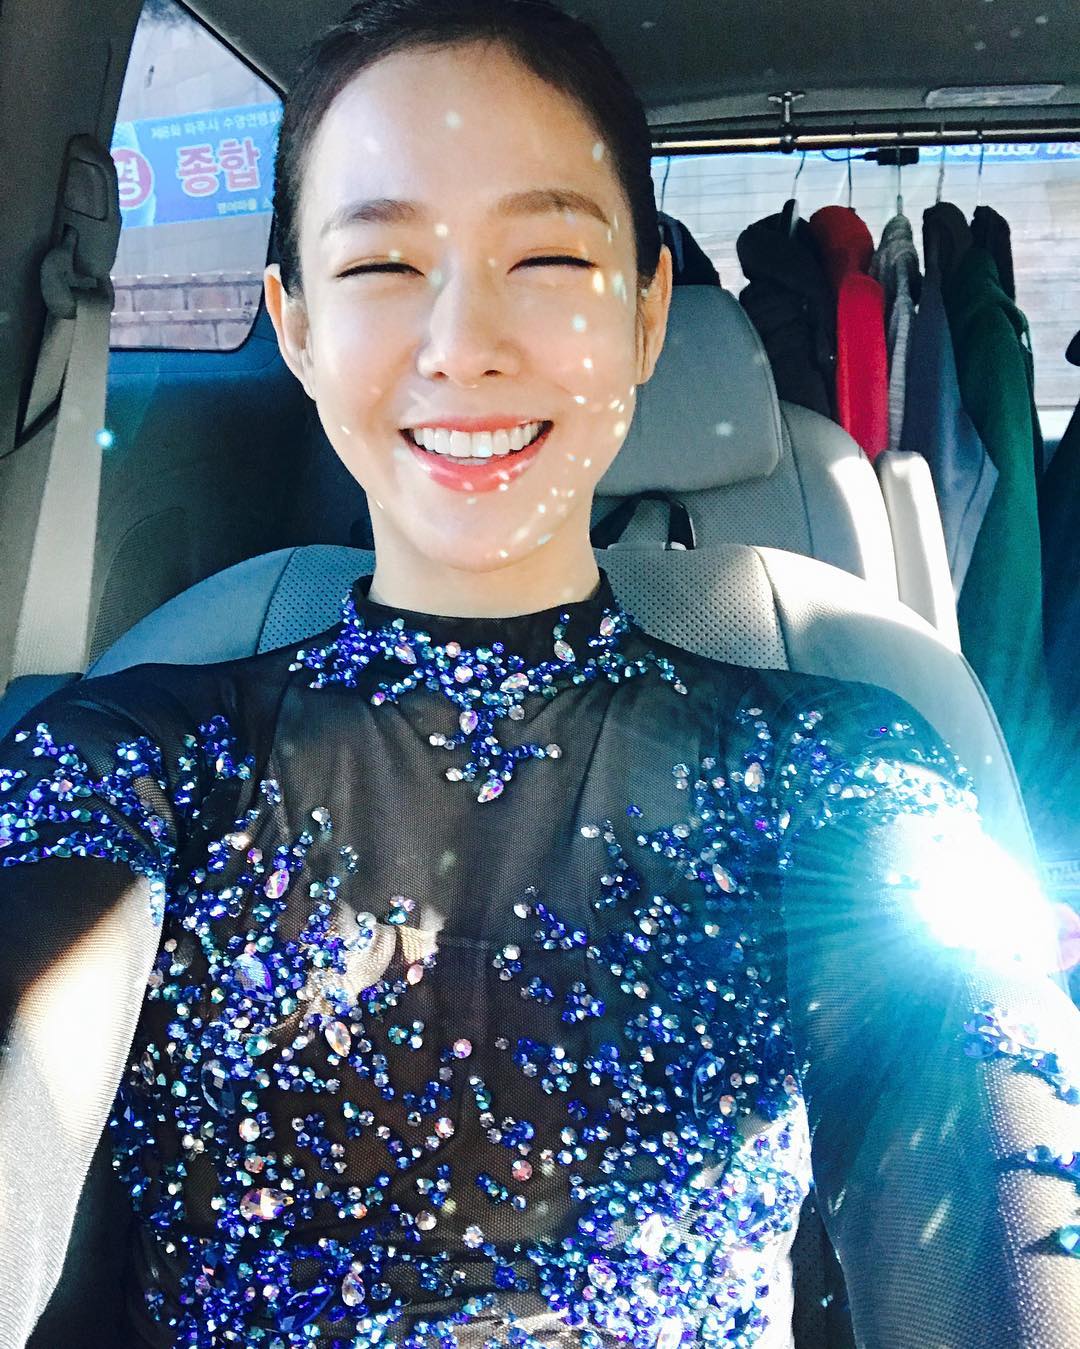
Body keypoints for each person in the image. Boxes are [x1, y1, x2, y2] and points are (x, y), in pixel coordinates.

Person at [2, 3, 1079, 1346]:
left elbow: (986, 1169)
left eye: (552, 256)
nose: (464, 341)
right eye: (383, 261)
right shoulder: (124, 760)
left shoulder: (840, 769)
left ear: (646, 315)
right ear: (295, 325)